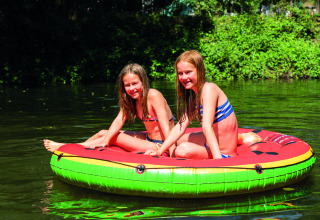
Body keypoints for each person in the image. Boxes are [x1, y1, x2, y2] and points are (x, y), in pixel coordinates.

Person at [145, 50, 261, 159]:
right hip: (209, 145)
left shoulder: (209, 89)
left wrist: (219, 161)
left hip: (223, 153)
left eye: (188, 72)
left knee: (181, 150)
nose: (184, 77)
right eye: (180, 73)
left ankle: (240, 139)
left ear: (200, 70)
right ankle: (241, 138)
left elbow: (207, 127)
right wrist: (159, 152)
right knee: (177, 140)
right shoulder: (195, 96)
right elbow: (181, 126)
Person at [44, 63, 176, 156]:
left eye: (135, 83)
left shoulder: (153, 95)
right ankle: (80, 149)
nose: (131, 88)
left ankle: (67, 147)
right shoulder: (131, 100)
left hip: (161, 144)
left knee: (115, 136)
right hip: (148, 138)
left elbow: (165, 127)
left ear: (143, 82)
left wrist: (170, 152)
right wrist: (105, 141)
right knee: (103, 132)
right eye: (127, 85)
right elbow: (119, 120)